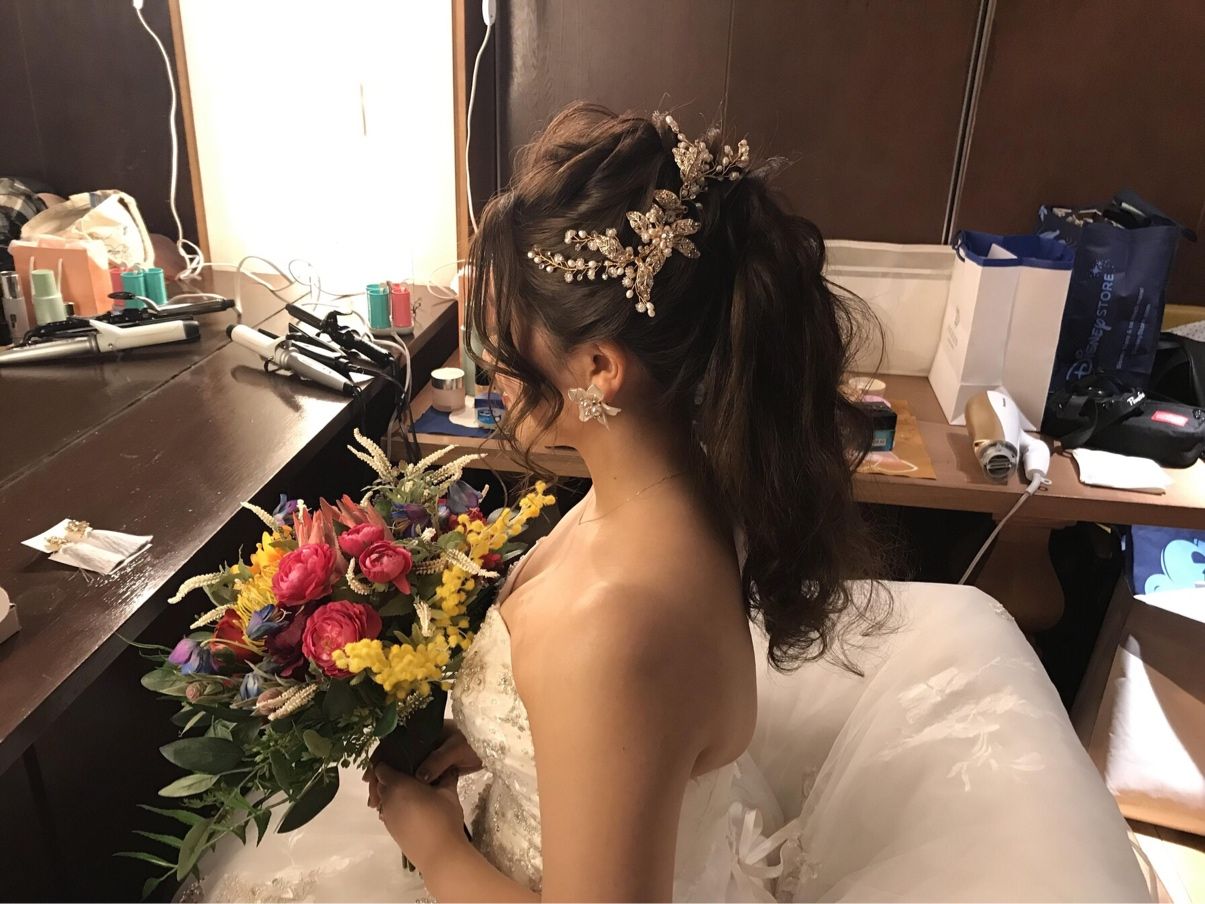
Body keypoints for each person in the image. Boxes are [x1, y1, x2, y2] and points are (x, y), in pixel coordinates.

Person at [204, 102, 883, 903]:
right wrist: (510, 742)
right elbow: (635, 726)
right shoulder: (677, 492)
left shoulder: (615, 621)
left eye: (504, 331)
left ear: (599, 368)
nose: (489, 361)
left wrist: (436, 847)